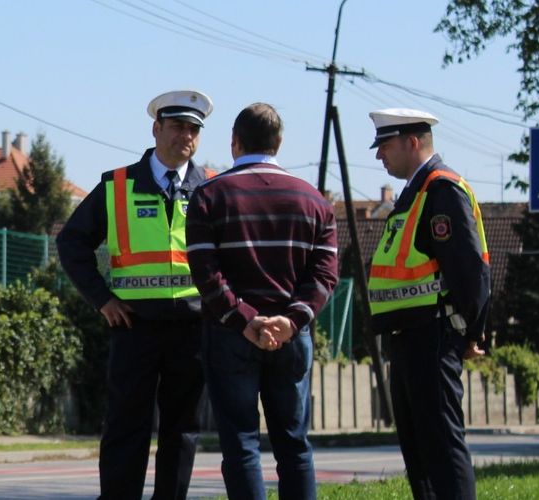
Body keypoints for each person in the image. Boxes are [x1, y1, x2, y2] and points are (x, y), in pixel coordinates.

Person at [56, 89, 215, 499]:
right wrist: (101, 299)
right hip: (135, 327)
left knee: (182, 431)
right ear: (156, 128)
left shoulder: (211, 190)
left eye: (194, 128)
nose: (187, 135)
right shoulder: (117, 186)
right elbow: (71, 242)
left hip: (193, 328)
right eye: (178, 126)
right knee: (127, 425)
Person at [185, 103, 337, 500]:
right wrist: (291, 320)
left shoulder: (208, 196)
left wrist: (246, 321)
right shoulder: (316, 202)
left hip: (230, 336)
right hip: (291, 338)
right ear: (279, 143)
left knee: (241, 445)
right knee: (294, 444)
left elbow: (205, 273)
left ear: (234, 142)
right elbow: (325, 276)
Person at [365, 108, 490, 500]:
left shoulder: (441, 191)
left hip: (434, 338)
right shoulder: (412, 195)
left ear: (412, 142)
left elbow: (471, 270)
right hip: (408, 340)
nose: (378, 155)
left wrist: (472, 331)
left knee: (442, 448)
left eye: (385, 145)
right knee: (419, 453)